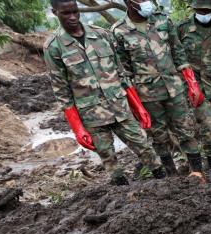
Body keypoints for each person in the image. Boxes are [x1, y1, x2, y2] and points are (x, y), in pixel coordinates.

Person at [44, 0, 164, 184]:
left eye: (75, 12)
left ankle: (164, 183)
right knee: (109, 160)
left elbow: (121, 74)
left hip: (120, 106)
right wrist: (77, 128)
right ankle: (123, 195)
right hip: (92, 115)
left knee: (145, 147)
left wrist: (138, 107)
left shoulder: (101, 35)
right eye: (66, 13)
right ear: (55, 12)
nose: (72, 17)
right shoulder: (54, 47)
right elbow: (62, 92)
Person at [112, 0, 205, 175]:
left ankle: (198, 173)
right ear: (128, 2)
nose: (146, 2)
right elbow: (124, 71)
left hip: (174, 89)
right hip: (147, 95)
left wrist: (192, 83)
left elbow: (178, 52)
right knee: (158, 137)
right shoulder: (118, 31)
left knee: (186, 130)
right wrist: (135, 105)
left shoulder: (162, 20)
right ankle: (171, 177)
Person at [176, 0, 211, 173]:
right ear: (194, 9)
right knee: (206, 127)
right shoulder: (183, 28)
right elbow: (177, 55)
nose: (204, 13)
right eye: (200, 10)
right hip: (195, 88)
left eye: (207, 10)